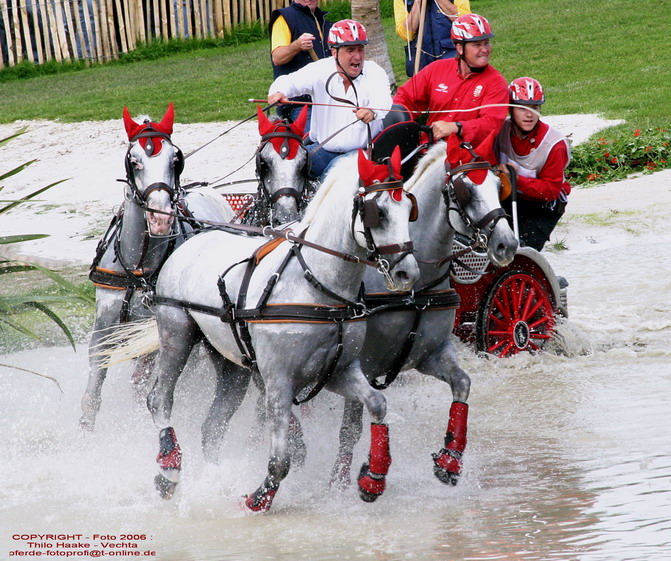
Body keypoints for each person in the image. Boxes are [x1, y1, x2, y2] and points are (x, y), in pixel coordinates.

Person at [268, 19, 392, 181]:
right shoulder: (320, 69)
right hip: (323, 149)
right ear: (334, 52)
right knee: (287, 172)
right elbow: (288, 82)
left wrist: (372, 111)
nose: (357, 56)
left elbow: (383, 101)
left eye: (361, 49)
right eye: (350, 50)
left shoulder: (375, 72)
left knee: (331, 176)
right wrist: (277, 92)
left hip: (360, 152)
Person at [391, 13, 508, 147]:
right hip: (429, 150)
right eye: (477, 45)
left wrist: (456, 127)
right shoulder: (437, 69)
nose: (485, 50)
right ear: (459, 48)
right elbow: (405, 98)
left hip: (471, 157)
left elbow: (492, 124)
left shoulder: (496, 82)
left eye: (486, 43)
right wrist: (400, 121)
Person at [496, 77, 572, 251]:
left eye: (535, 108)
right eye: (522, 108)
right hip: (510, 196)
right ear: (510, 109)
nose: (530, 115)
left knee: (521, 253)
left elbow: (551, 191)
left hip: (544, 206)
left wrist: (514, 179)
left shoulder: (555, 144)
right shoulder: (499, 131)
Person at [269, 0, 332, 124]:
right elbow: (277, 57)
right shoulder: (285, 17)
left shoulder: (324, 20)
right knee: (314, 142)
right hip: (298, 104)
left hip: (326, 102)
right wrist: (296, 45)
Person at [394, 0, 471, 77]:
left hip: (452, 56)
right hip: (422, 61)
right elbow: (406, 34)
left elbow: (466, 23)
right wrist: (418, 2)